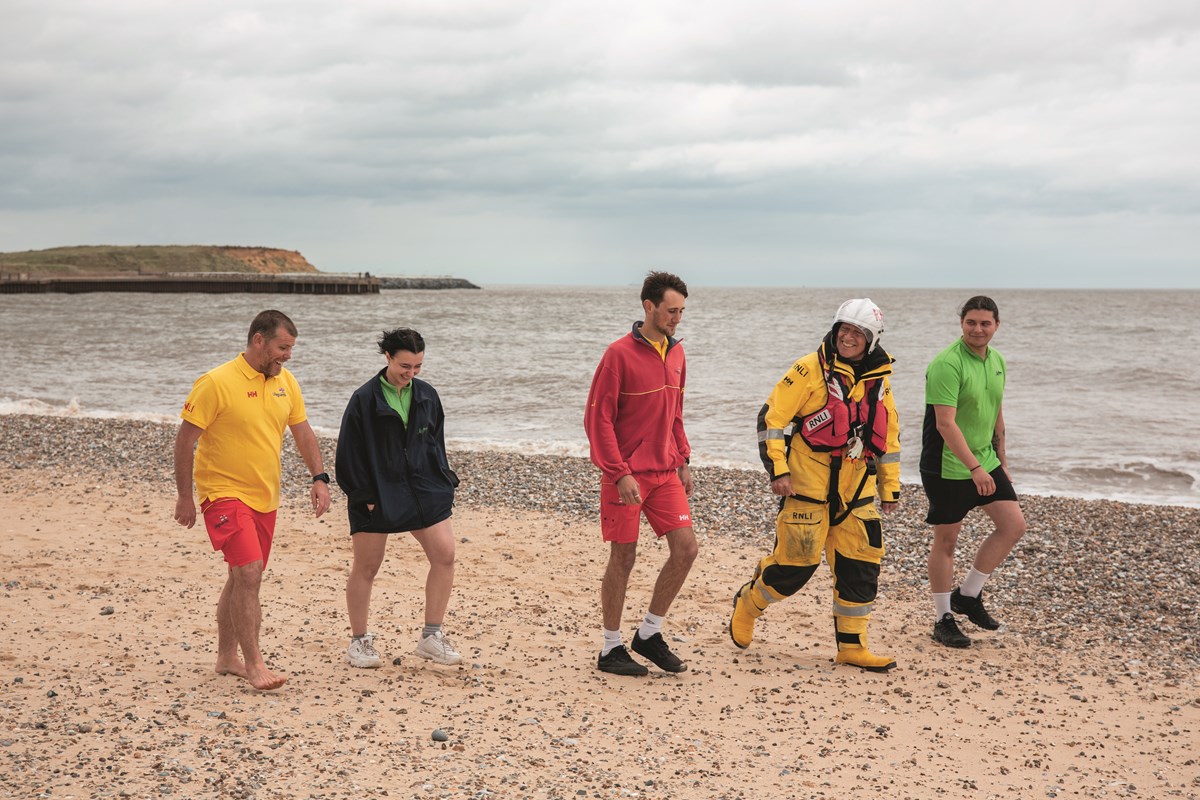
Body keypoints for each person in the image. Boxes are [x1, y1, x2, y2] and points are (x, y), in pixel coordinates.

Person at [729, 299, 901, 672]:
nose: (848, 338)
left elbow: (890, 437)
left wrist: (890, 488)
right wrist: (778, 471)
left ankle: (852, 647)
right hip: (806, 487)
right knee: (795, 567)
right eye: (844, 329)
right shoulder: (808, 369)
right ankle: (749, 603)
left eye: (858, 333)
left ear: (871, 340)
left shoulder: (879, 381)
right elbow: (771, 419)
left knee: (861, 567)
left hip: (856, 492)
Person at [173, 310, 332, 691]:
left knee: (240, 575)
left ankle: (227, 657)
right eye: (282, 347)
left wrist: (320, 477)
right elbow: (185, 441)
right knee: (249, 573)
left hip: (265, 495)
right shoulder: (215, 382)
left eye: (291, 348)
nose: (288, 355)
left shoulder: (286, 383)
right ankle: (255, 663)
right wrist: (184, 496)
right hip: (222, 492)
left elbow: (302, 431)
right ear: (259, 340)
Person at [584, 271, 698, 676]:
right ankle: (610, 648)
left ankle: (649, 634)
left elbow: (676, 414)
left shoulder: (678, 353)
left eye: (682, 311)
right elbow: (598, 420)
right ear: (648, 307)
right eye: (671, 311)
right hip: (627, 473)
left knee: (686, 550)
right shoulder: (618, 355)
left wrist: (682, 458)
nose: (677, 319)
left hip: (666, 470)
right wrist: (618, 473)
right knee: (624, 556)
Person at [335, 328, 463, 669]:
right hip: (376, 493)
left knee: (445, 555)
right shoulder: (364, 399)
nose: (411, 373)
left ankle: (430, 637)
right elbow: (348, 452)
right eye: (405, 366)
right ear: (388, 357)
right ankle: (359, 642)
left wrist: (443, 481)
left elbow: (436, 442)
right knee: (367, 567)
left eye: (418, 366)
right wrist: (364, 495)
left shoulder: (427, 395)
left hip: (423, 490)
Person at [922, 295, 1027, 648]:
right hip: (948, 465)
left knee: (1013, 526)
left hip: (985, 459)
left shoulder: (997, 360)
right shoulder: (947, 364)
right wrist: (976, 468)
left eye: (985, 323)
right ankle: (942, 618)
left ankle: (967, 595)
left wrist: (1001, 461)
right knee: (947, 542)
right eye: (971, 322)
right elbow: (945, 424)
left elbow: (996, 411)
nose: (978, 329)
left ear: (997, 325)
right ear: (962, 324)